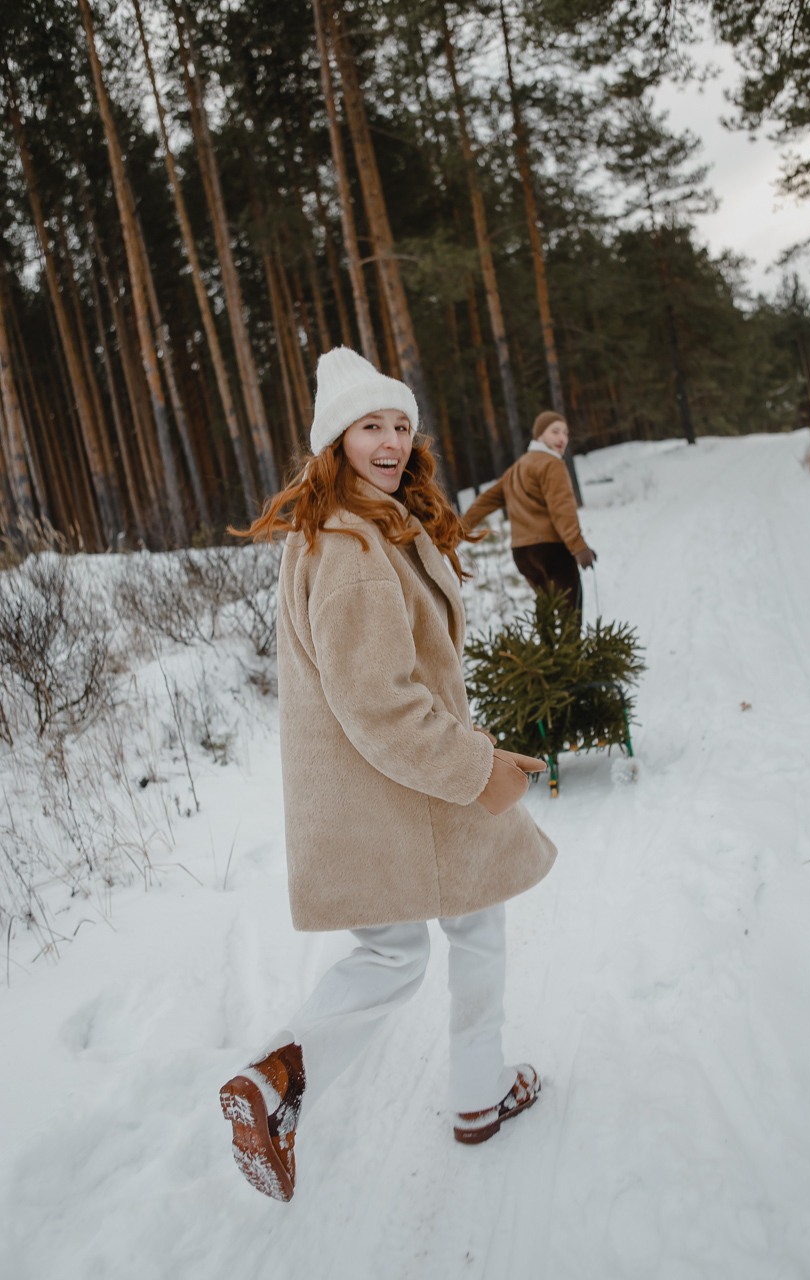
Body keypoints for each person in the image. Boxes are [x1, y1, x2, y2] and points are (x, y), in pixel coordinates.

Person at [219, 347, 557, 1203]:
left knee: (393, 947)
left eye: (401, 424)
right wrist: (479, 772)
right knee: (468, 930)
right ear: (335, 439)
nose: (393, 440)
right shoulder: (351, 547)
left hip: (384, 792)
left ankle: (278, 1077)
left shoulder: (353, 528)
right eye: (372, 424)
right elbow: (379, 703)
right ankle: (476, 1093)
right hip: (416, 788)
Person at [461, 411, 596, 621]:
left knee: (547, 609)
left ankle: (545, 651)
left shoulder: (516, 469)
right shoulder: (552, 464)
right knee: (570, 616)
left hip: (522, 554)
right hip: (552, 550)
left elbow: (484, 501)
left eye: (565, 433)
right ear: (539, 436)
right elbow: (562, 509)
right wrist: (578, 547)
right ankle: (570, 654)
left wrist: (459, 529)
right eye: (555, 432)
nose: (562, 438)